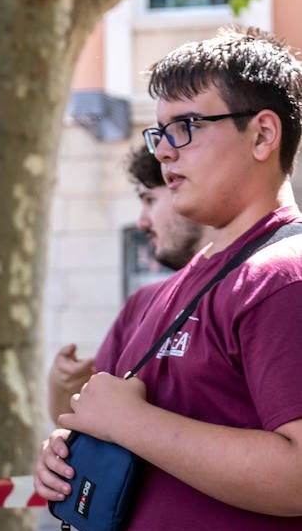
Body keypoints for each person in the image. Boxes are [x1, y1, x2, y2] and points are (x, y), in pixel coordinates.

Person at [35, 25, 302, 531]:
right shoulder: (179, 285)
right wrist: (62, 453)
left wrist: (132, 424)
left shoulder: (283, 277)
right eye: (160, 131)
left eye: (185, 127)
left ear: (262, 135)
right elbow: (95, 413)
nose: (161, 150)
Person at [46, 144, 211, 422]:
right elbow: (82, 422)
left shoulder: (257, 288)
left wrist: (134, 424)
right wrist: (62, 388)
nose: (143, 221)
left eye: (150, 200)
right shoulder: (143, 302)